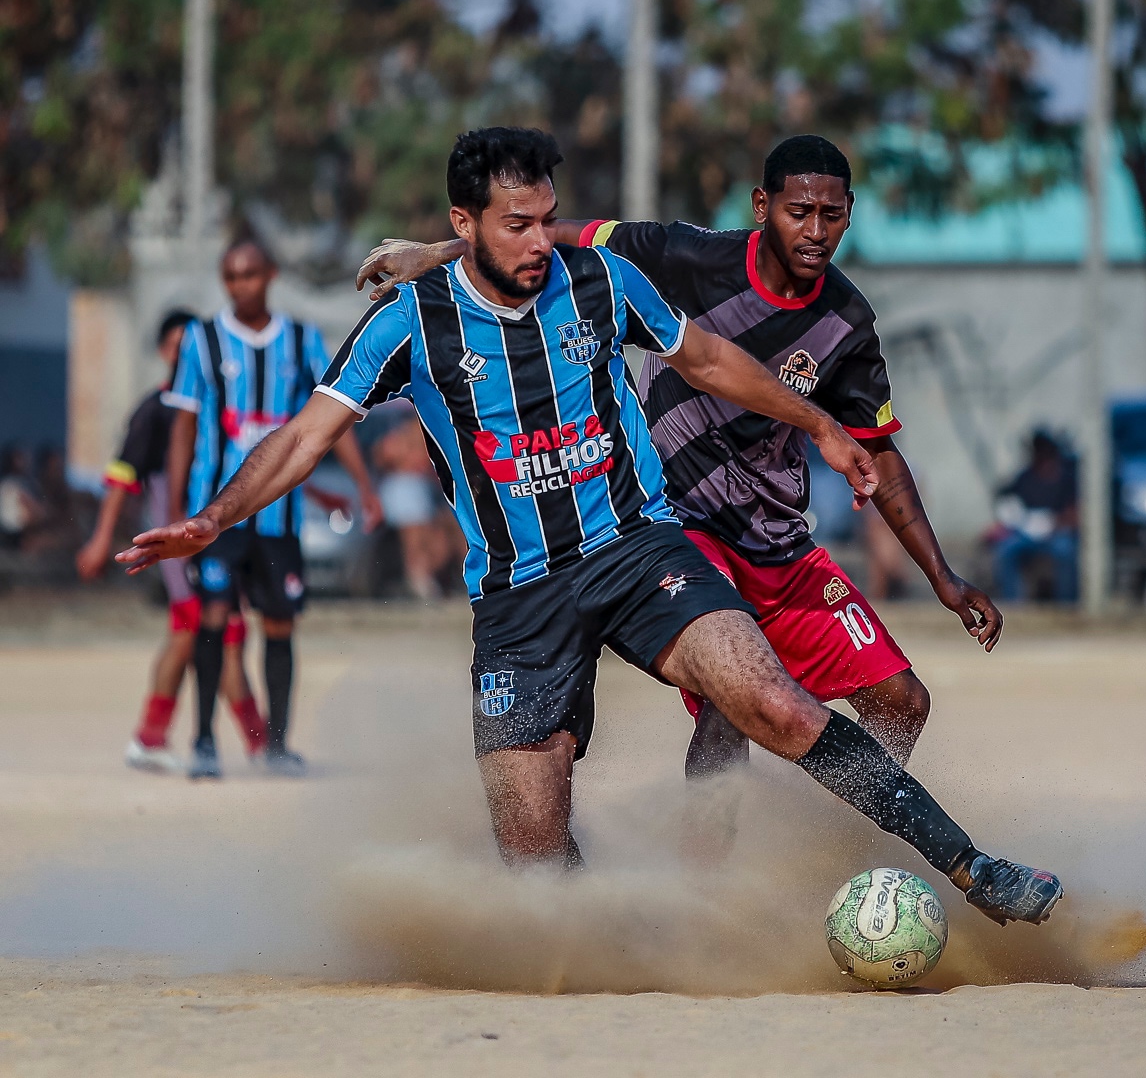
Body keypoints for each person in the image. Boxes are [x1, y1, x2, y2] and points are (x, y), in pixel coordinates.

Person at [121, 127, 1061, 926]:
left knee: (774, 703)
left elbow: (713, 361)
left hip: (637, 548)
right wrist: (210, 518)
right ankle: (630, 932)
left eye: (545, 218)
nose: (539, 242)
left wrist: (822, 425)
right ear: (463, 229)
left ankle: (975, 869)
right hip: (518, 601)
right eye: (517, 226)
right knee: (535, 879)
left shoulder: (602, 281)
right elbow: (302, 438)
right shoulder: (408, 324)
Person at [357, 136, 1013, 836]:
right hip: (682, 528)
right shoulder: (688, 257)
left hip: (781, 544)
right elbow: (550, 238)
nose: (815, 231)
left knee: (903, 701)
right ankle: (709, 892)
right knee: (734, 711)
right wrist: (434, 254)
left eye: (832, 214)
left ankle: (834, 844)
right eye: (798, 211)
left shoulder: (847, 321)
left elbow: (877, 453)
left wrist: (943, 577)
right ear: (763, 207)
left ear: (850, 214)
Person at [161, 239, 383, 779]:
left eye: (250, 274)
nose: (242, 285)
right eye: (231, 277)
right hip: (214, 514)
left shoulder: (303, 341)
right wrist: (174, 507)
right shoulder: (202, 340)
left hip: (278, 518)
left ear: (270, 275)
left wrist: (363, 486)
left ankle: (277, 745)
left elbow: (335, 416)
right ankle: (205, 740)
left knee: (280, 625)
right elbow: (185, 426)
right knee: (213, 618)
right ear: (224, 282)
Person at [76, 310, 267, 772]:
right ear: (165, 353)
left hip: (216, 538)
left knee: (203, 634)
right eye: (180, 348)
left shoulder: (219, 403)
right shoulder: (158, 409)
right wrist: (101, 539)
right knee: (210, 630)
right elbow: (122, 476)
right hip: (177, 543)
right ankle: (261, 745)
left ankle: (154, 738)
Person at [373, 407, 466, 599]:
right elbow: (382, 455)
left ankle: (424, 580)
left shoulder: (427, 427)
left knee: (440, 539)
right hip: (407, 487)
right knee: (415, 541)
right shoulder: (404, 432)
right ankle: (419, 582)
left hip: (424, 489)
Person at [991, 430, 1079, 603]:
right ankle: (1013, 603)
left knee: (1066, 551)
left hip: (1056, 532)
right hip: (1026, 534)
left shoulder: (1066, 479)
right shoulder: (1025, 477)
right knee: (1005, 551)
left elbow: (1076, 512)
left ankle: (1067, 604)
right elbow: (1010, 504)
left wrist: (1055, 523)